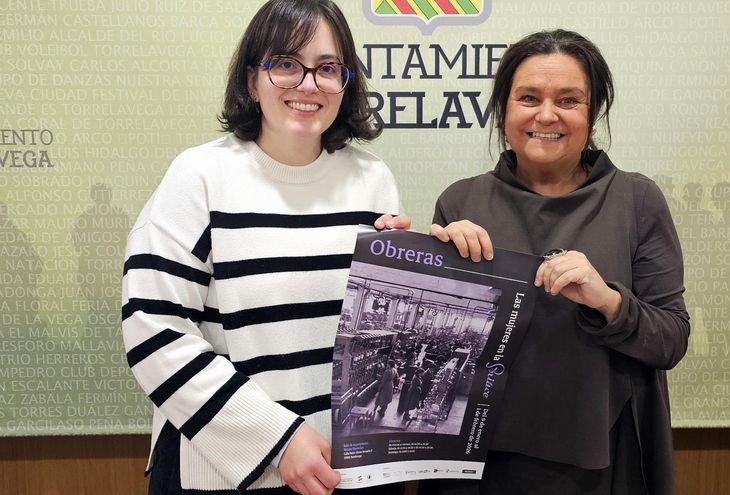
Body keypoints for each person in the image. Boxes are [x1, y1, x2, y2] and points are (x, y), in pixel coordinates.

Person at [121, 1, 408, 494]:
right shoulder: (200, 176)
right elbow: (154, 328)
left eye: (327, 68)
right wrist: (277, 438)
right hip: (225, 471)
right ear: (252, 79)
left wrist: (413, 271)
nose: (308, 83)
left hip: (347, 469)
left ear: (347, 82)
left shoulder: (372, 179)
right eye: (285, 64)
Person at [421, 29, 690, 494]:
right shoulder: (461, 201)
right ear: (503, 109)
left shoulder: (636, 199)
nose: (547, 115)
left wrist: (607, 301)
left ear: (594, 112)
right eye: (528, 98)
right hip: (481, 462)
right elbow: (432, 348)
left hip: (601, 463)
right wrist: (414, 269)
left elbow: (671, 341)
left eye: (569, 100)